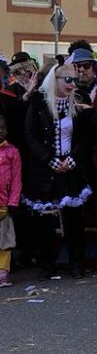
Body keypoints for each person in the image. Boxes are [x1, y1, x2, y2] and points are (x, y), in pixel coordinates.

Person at [23, 61, 95, 280]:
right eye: (68, 79)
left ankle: (76, 263)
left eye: (73, 79)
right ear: (55, 80)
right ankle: (47, 264)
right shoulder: (38, 103)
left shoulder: (80, 103)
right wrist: (49, 160)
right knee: (45, 220)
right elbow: (30, 136)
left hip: (71, 169)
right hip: (46, 170)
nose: (72, 84)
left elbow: (85, 137)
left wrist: (73, 159)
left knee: (74, 219)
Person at [0, 115, 21, 287]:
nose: (0, 131)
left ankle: (3, 271)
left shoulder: (12, 152)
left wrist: (13, 202)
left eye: (3, 128)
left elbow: (16, 179)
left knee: (5, 239)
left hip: (4, 203)